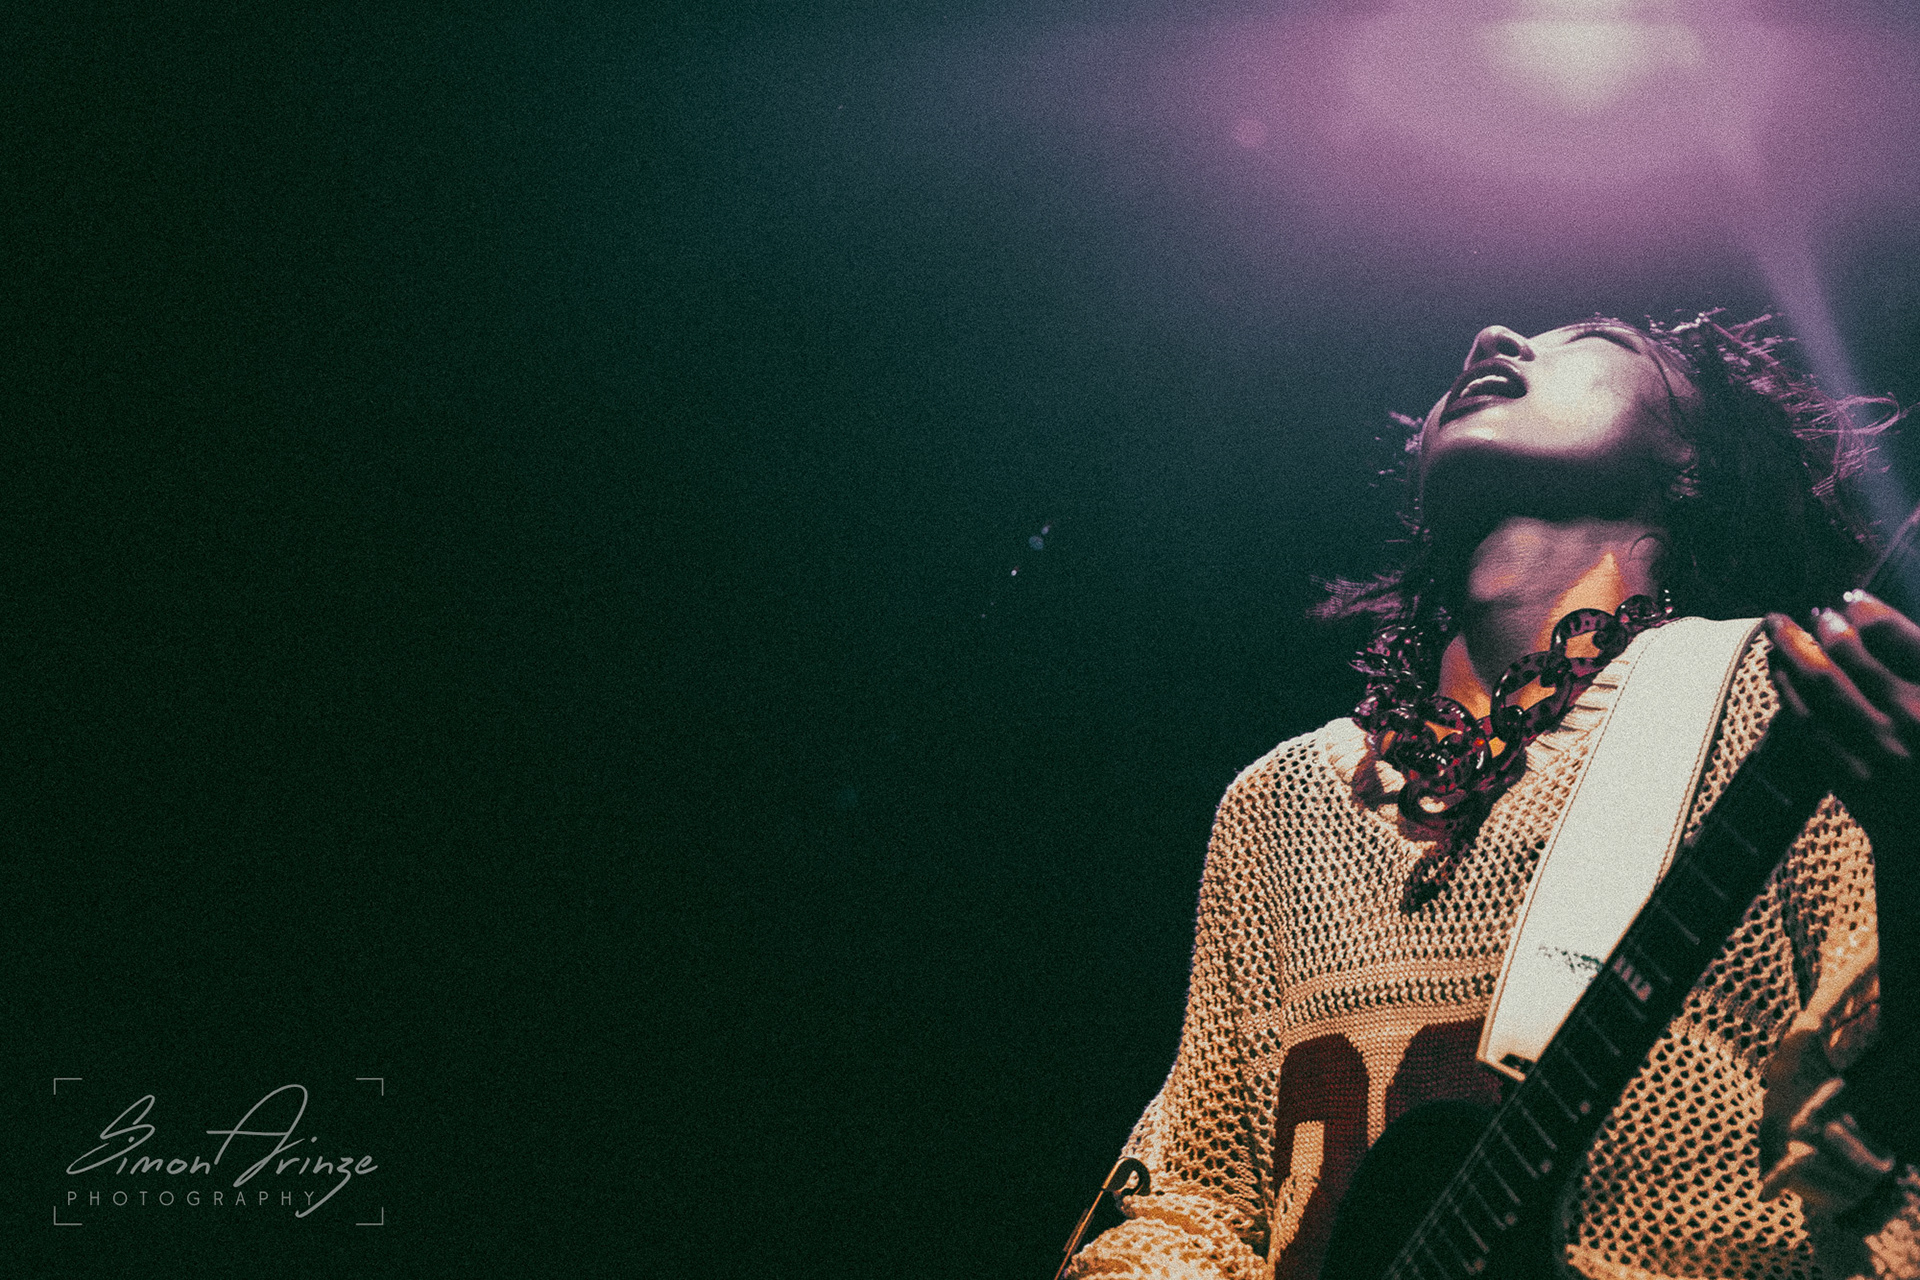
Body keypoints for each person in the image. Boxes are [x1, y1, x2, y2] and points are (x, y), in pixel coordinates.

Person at [1062, 314, 1920, 1280]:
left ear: (1692, 452)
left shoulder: (1788, 696)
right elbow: (1201, 1200)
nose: (1495, 337)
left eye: (1596, 337)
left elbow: (1887, 1118)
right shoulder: (1280, 801)